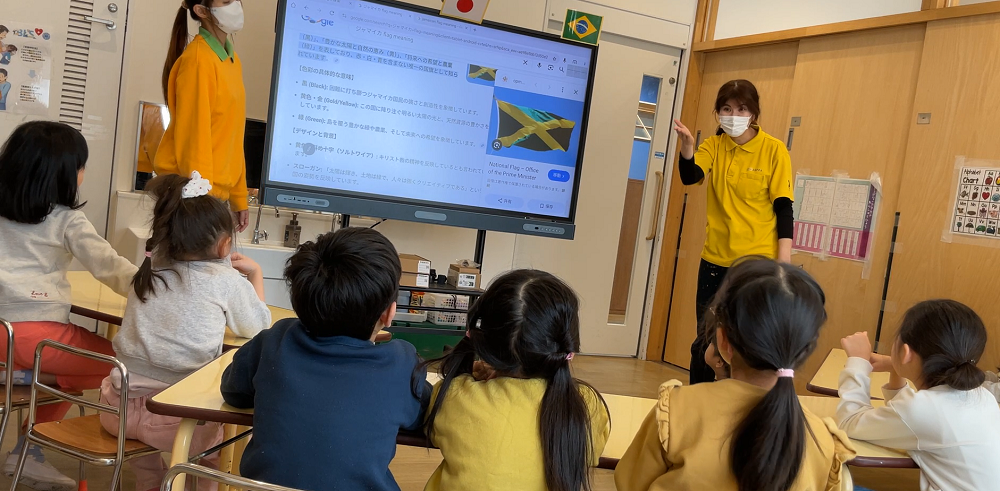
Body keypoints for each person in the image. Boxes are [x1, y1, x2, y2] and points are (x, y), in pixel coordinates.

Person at [616, 257, 856, 491]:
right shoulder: (822, 441)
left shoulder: (676, 409)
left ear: (723, 340)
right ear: (804, 351)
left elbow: (629, 483)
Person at [221, 228, 430, 491]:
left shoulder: (275, 341)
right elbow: (422, 416)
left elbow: (233, 391)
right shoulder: (401, 364)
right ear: (389, 313)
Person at [98, 172, 270, 491]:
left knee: (146, 427)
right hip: (176, 423)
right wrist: (255, 273)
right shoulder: (225, 281)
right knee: (219, 446)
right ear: (224, 244)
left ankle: (150, 481)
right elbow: (258, 326)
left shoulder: (150, 270)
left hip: (115, 412)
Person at [0, 121, 138, 491]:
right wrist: (161, 287)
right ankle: (28, 446)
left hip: (2, 337)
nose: (83, 173)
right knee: (125, 366)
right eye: (80, 165)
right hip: (36, 337)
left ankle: (22, 385)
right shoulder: (66, 220)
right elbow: (111, 268)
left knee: (68, 370)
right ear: (61, 174)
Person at [422, 269, 611, 491]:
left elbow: (433, 433)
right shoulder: (587, 405)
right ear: (568, 345)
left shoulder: (453, 393)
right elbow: (592, 454)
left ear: (484, 341)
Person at [673, 80, 795, 385]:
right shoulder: (714, 146)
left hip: (757, 265)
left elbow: (783, 208)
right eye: (726, 109)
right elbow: (691, 176)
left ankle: (746, 401)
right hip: (715, 261)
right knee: (705, 342)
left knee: (749, 341)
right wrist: (687, 148)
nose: (733, 115)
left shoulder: (774, 150)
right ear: (718, 112)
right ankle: (699, 401)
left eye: (741, 109)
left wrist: (783, 264)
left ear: (753, 113)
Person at [838, 300, 1000, 491]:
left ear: (905, 352)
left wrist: (857, 361)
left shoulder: (926, 409)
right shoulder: (983, 397)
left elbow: (848, 423)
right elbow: (905, 418)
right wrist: (896, 367)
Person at [155, 0, 251, 231]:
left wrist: (238, 196)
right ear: (201, 11)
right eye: (226, 1)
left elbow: (233, 134)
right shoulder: (198, 59)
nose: (236, 5)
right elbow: (194, 136)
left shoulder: (231, 60)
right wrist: (202, 200)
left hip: (211, 197)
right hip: (194, 199)